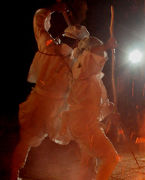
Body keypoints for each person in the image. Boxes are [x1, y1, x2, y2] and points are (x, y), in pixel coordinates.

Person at [10, 1, 76, 179]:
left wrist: (54, 9)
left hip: (54, 104)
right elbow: (39, 20)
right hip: (45, 102)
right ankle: (13, 173)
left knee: (76, 134)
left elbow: (39, 21)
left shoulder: (64, 54)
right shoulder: (53, 48)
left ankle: (82, 169)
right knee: (28, 139)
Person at [58, 32, 120, 180]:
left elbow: (93, 108)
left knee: (87, 166)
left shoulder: (93, 79)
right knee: (112, 158)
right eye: (98, 51)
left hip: (86, 124)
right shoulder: (81, 70)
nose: (101, 56)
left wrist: (108, 109)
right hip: (83, 125)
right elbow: (89, 54)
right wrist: (106, 45)